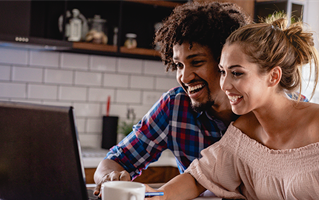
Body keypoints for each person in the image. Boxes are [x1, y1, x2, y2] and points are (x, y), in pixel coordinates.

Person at [145, 14, 319, 199]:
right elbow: (196, 179)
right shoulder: (243, 135)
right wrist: (153, 197)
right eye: (222, 72)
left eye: (237, 73)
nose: (225, 84)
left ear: (273, 77)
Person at [93, 1, 252, 196]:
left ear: (225, 61)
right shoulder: (175, 106)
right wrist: (109, 178)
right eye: (179, 65)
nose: (184, 77)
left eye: (197, 62)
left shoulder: (262, 108)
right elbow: (116, 159)